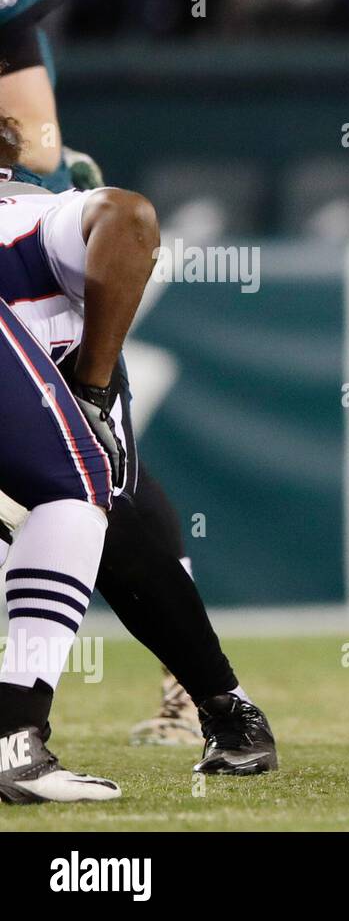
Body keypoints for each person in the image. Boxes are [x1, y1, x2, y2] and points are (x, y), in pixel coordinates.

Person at [0, 126, 277, 778]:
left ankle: (215, 702)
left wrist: (90, 385)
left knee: (91, 503)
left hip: (58, 450)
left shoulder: (27, 217)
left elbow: (128, 220)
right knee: (86, 500)